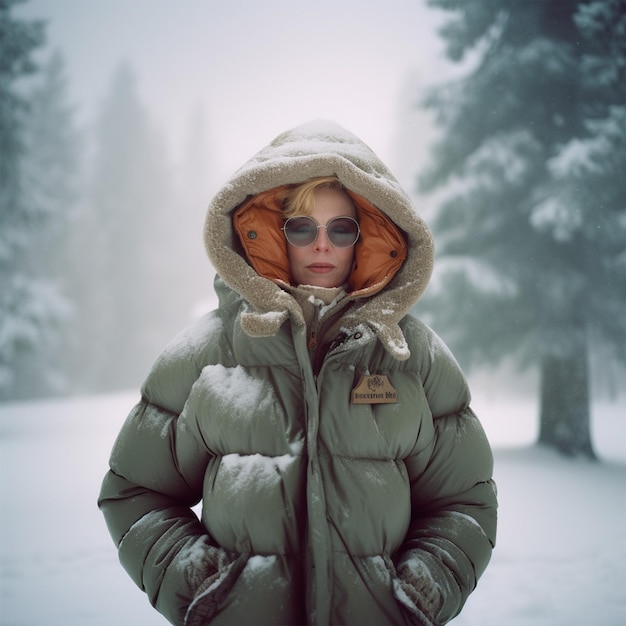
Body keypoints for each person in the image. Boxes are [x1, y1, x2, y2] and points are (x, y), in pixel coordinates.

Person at [98, 120, 497, 626]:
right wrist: (201, 585)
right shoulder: (208, 353)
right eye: (302, 227)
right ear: (272, 234)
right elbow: (135, 490)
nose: (322, 245)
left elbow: (464, 501)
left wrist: (422, 589)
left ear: (369, 236)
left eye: (342, 228)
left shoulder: (411, 356)